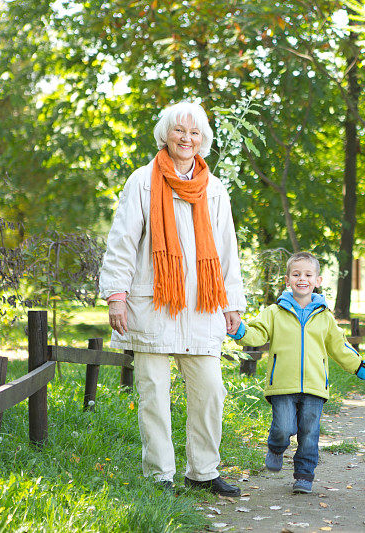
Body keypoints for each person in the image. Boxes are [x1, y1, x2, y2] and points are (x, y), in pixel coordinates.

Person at [98, 101, 245, 496]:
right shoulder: (143, 181)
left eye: (195, 133)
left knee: (211, 389)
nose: (187, 138)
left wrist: (232, 303)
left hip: (202, 306)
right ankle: (160, 475)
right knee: (153, 394)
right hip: (153, 305)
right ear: (166, 134)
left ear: (203, 140)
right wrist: (116, 295)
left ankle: (204, 471)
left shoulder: (213, 189)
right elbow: (123, 242)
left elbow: (227, 248)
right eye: (180, 131)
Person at [227, 251, 365, 494]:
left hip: (315, 386)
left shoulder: (325, 316)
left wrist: (360, 367)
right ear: (287, 280)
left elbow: (340, 347)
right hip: (282, 384)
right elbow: (257, 334)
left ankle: (304, 475)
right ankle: (276, 447)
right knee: (283, 427)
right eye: (296, 274)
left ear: (317, 280)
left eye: (308, 274)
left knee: (309, 433)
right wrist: (240, 330)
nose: (302, 278)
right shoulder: (274, 312)